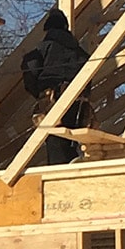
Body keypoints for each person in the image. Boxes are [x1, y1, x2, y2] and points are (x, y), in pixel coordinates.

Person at [20, 9, 90, 164]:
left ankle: (60, 174)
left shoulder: (44, 48)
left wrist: (38, 91)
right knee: (74, 141)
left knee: (55, 140)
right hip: (78, 104)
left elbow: (30, 68)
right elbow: (88, 79)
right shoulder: (80, 53)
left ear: (48, 28)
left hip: (53, 99)